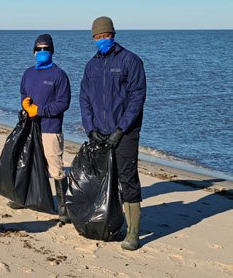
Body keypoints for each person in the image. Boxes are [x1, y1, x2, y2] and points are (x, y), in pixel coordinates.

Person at [79, 16, 147, 250]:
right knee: (105, 180)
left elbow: (138, 97)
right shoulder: (91, 66)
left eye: (105, 36)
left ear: (113, 34)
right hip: (100, 133)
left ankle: (133, 233)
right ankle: (111, 223)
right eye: (97, 37)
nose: (101, 40)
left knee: (128, 179)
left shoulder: (130, 60)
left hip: (125, 133)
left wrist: (122, 129)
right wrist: (91, 129)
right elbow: (84, 98)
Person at [17, 34, 72, 224]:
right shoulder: (28, 73)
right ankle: (24, 198)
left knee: (55, 167)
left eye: (45, 48)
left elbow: (63, 103)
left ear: (52, 51)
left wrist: (40, 110)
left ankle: (64, 208)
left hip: (50, 128)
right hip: (30, 127)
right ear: (33, 52)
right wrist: (25, 105)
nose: (42, 52)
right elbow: (24, 92)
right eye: (39, 49)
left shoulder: (59, 75)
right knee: (29, 162)